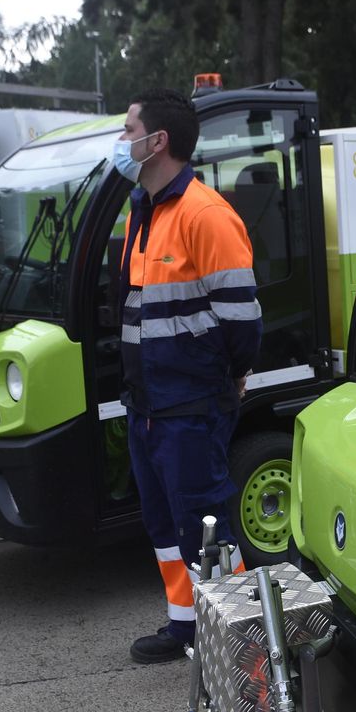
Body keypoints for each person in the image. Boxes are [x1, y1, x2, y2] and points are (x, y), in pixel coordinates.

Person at [117, 88, 261, 664]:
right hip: (147, 400)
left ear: (159, 142)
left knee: (207, 523)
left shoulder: (205, 214)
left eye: (129, 129)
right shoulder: (143, 209)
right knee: (164, 522)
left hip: (190, 401)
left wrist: (230, 375)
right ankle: (188, 624)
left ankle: (238, 637)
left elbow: (241, 317)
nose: (122, 140)